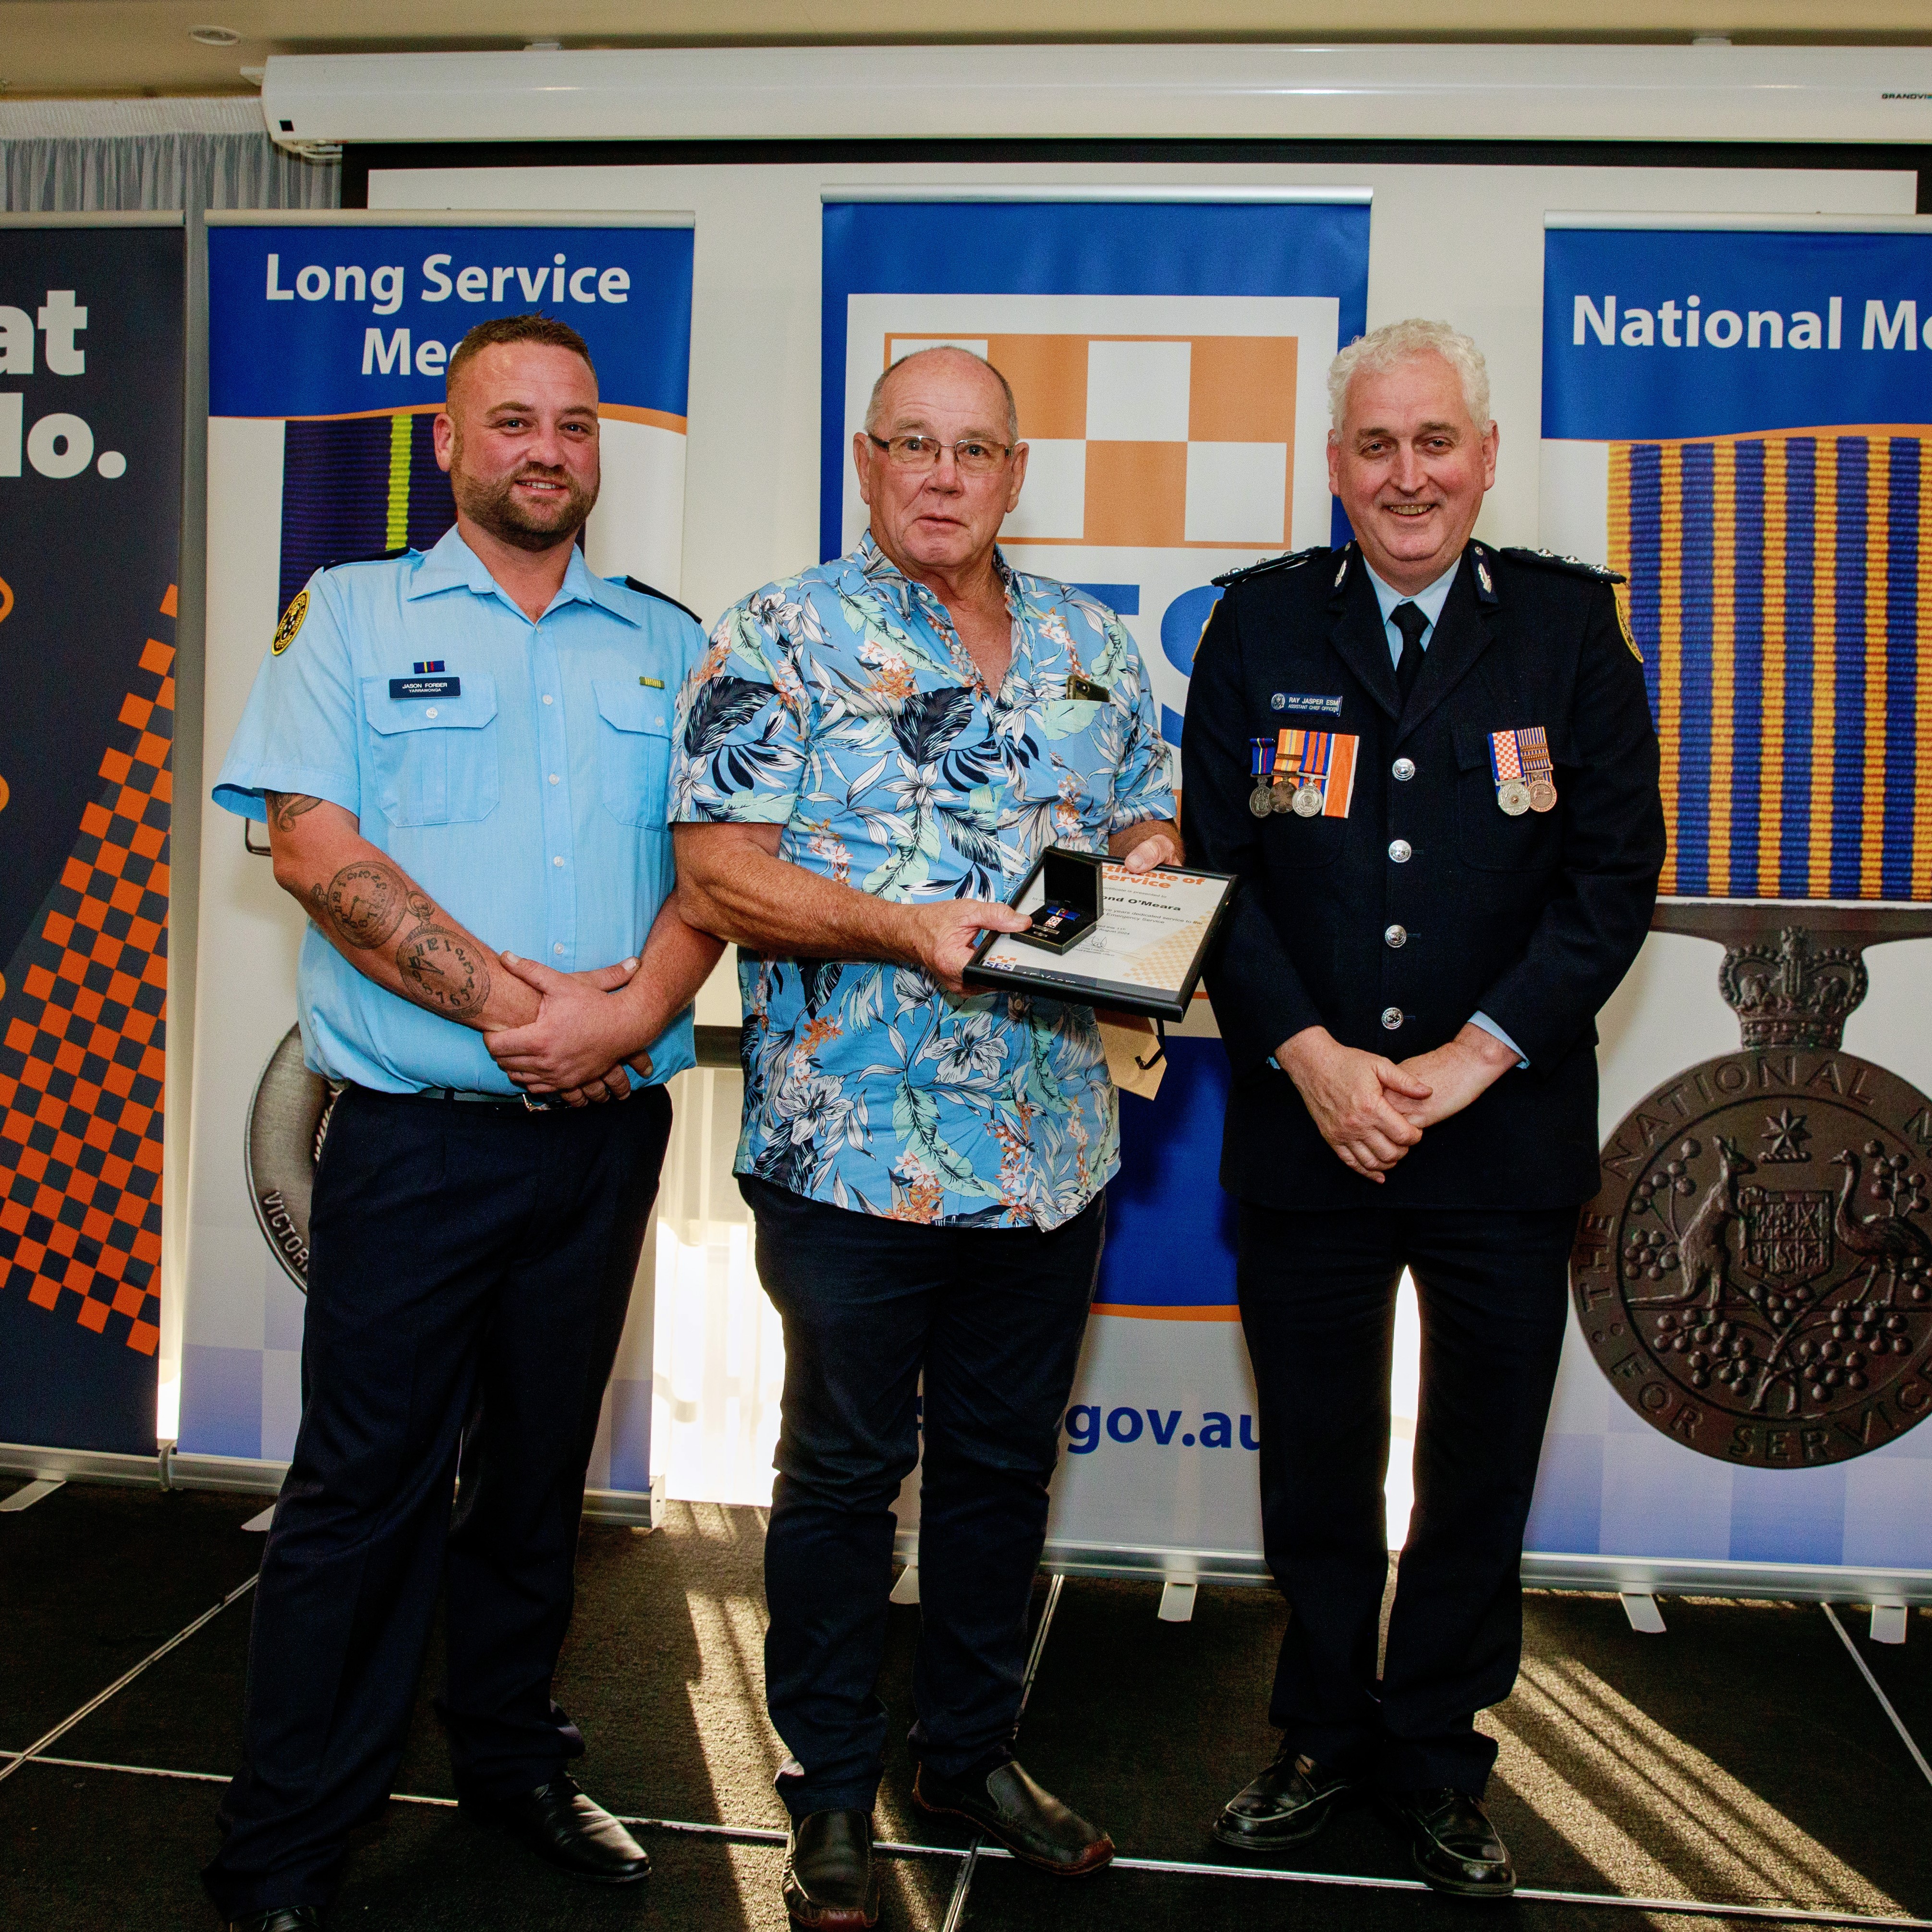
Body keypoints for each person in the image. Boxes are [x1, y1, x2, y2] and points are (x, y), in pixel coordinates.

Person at [200, 314, 722, 1932]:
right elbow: (311, 848)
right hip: (422, 1140)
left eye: (573, 424)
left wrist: (624, 1021)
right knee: (364, 1492)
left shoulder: (664, 638)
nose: (546, 450)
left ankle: (513, 1762)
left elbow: (719, 868)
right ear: (449, 441)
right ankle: (290, 1839)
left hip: (604, 1136)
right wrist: (525, 1013)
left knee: (535, 1483)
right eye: (511, 421)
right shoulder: (350, 618)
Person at [671, 346, 1179, 1930]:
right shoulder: (778, 633)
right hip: (852, 1149)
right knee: (837, 1478)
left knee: (996, 1478)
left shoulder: (1099, 648)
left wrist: (1151, 850)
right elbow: (718, 876)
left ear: (1017, 473)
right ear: (867, 459)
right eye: (916, 445)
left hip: (1051, 1154)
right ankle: (827, 1789)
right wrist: (902, 928)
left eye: (976, 450)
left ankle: (965, 1755)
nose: (946, 475)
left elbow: (1149, 819)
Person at [1182, 318, 1664, 1897]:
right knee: (1318, 1460)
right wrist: (1314, 1056)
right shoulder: (1257, 629)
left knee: (1477, 1465)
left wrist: (1473, 1059)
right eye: (1376, 447)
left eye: (1435, 443)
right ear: (1336, 469)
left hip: (1501, 1140)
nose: (1408, 475)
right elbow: (1210, 879)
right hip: (1307, 1125)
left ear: (1483, 457)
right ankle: (1321, 1736)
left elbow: (1612, 882)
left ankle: (1442, 1755)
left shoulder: (1570, 629)